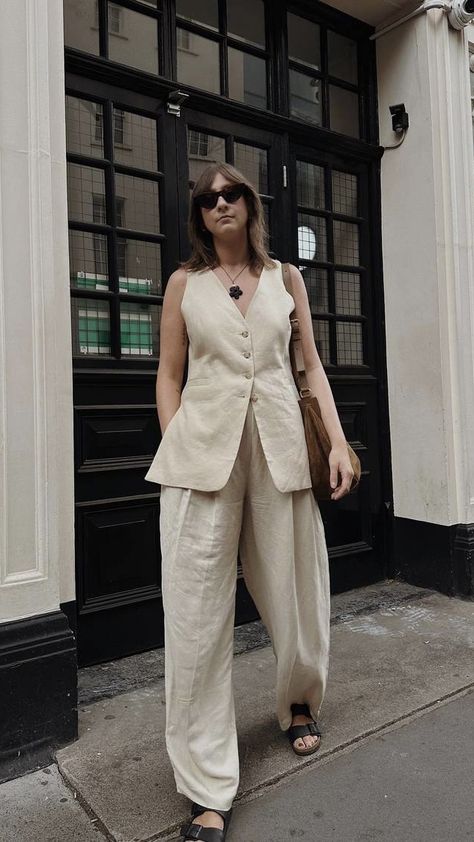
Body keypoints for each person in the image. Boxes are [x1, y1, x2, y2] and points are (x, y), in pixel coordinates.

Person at [145, 162, 354, 841]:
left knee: (296, 591)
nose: (221, 203)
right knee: (198, 618)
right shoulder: (185, 285)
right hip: (201, 460)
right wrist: (180, 442)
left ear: (251, 204)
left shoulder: (287, 279)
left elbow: (310, 366)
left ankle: (298, 702)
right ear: (200, 215)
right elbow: (169, 375)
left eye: (232, 193)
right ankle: (208, 783)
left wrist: (341, 444)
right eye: (208, 199)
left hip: (281, 452)